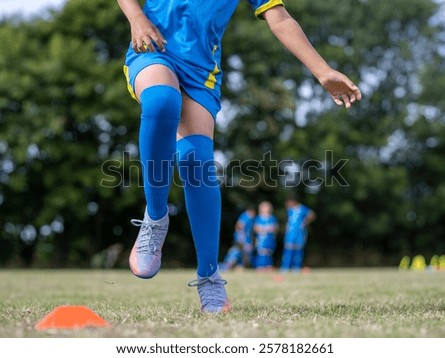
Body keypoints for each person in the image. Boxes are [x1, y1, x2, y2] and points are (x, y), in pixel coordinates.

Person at [117, 0, 362, 313]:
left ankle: (209, 277)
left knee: (196, 162)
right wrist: (135, 15)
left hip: (201, 69)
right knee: (162, 101)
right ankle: (155, 216)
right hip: (152, 46)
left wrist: (323, 71)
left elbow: (281, 19)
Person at [280, 195, 316, 272]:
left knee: (298, 251)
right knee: (288, 250)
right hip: (290, 234)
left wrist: (305, 222)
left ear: (293, 202)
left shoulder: (302, 208)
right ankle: (285, 268)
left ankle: (296, 268)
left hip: (299, 233)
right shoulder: (290, 210)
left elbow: (312, 215)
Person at [221, 207, 256, 271]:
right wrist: (241, 237)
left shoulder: (249, 219)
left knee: (243, 253)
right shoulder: (245, 217)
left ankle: (238, 266)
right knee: (236, 252)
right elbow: (239, 226)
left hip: (245, 240)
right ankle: (227, 265)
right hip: (241, 240)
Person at [253, 201, 278, 271]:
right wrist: (262, 229)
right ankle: (260, 266)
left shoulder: (272, 218)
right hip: (261, 239)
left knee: (268, 252)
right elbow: (256, 228)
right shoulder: (259, 218)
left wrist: (270, 229)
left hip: (269, 239)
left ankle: (268, 266)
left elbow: (275, 228)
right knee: (261, 252)